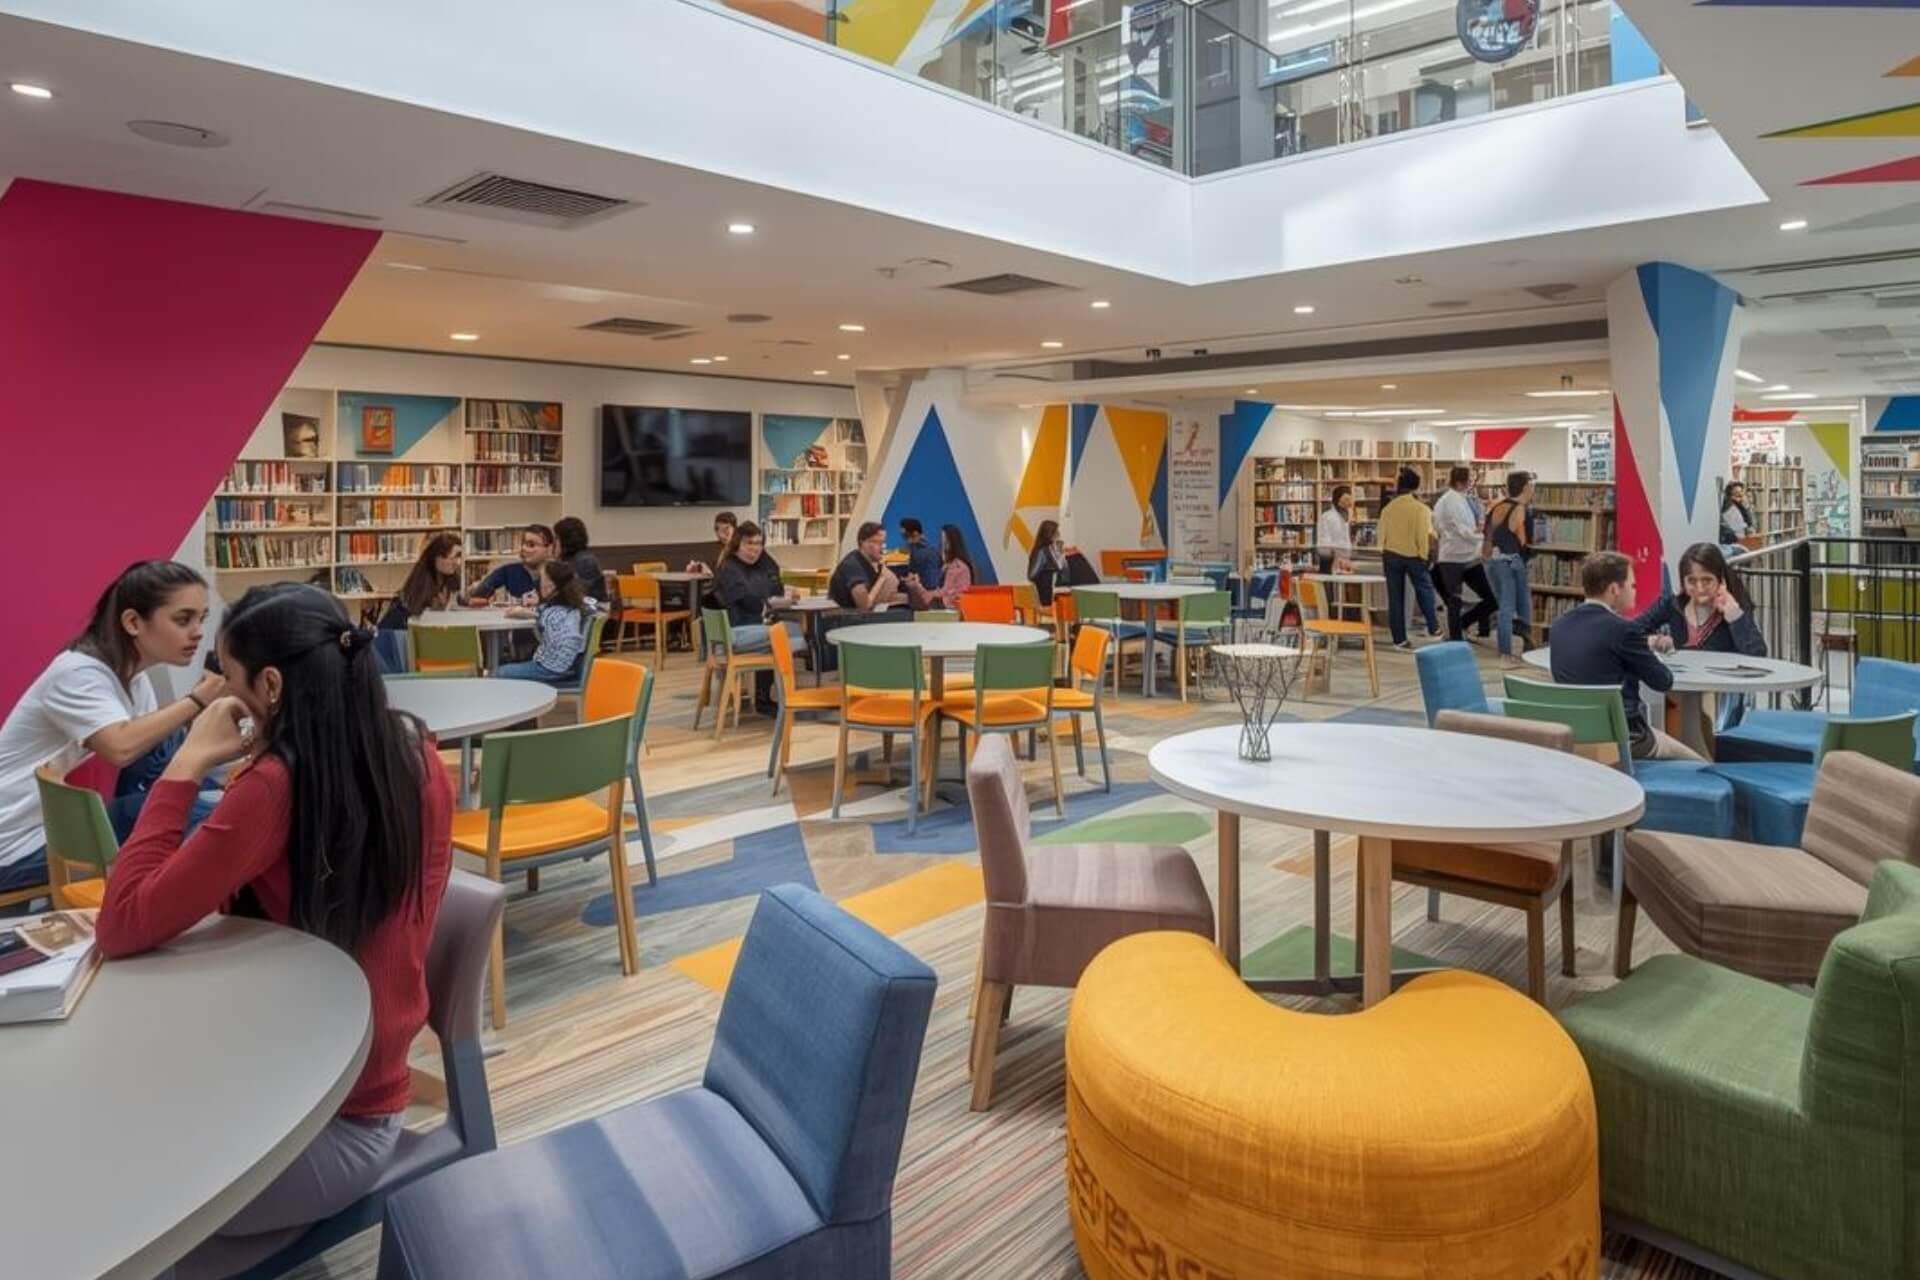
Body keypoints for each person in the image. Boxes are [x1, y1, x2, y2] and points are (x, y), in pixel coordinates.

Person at [95, 583, 453, 1265]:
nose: (217, 693)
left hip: (320, 1120)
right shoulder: (416, 754)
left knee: (103, 1181)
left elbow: (123, 922)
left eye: (226, 677)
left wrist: (186, 761)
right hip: (351, 1087)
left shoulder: (275, 788)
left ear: (270, 685)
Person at [0, 561, 226, 904]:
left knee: (202, 792)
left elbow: (161, 760)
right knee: (205, 815)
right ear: (133, 622)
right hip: (14, 846)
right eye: (183, 620)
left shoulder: (135, 679)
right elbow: (120, 747)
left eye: (202, 619)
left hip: (50, 830)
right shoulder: (78, 673)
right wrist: (197, 700)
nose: (197, 633)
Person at [1549, 551, 1701, 761]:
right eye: (1632, 585)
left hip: (1576, 735)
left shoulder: (1558, 626)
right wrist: (1650, 652)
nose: (1634, 591)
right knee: (1697, 761)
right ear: (1614, 589)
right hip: (1623, 738)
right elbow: (1663, 681)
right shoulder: (1624, 630)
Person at [713, 520, 802, 715]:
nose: (755, 548)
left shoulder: (758, 564)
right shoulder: (730, 569)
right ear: (737, 544)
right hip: (735, 633)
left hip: (748, 627)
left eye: (759, 543)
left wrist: (775, 598)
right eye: (749, 543)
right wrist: (769, 604)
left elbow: (774, 584)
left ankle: (773, 693)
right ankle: (770, 696)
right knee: (786, 635)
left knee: (791, 633)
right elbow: (746, 600)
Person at [1636, 542, 1766, 657]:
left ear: (1721, 579)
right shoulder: (1672, 604)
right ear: (1683, 582)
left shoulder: (1736, 605)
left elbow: (1757, 653)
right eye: (1692, 581)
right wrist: (1654, 641)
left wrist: (1734, 616)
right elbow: (1630, 632)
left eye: (1707, 580)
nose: (1700, 588)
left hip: (1721, 677)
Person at [498, 559, 591, 686]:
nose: (538, 584)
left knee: (500, 672)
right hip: (567, 665)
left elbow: (546, 617)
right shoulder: (568, 608)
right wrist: (535, 609)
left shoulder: (551, 612)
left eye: (541, 580)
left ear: (550, 586)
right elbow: (545, 615)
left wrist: (529, 610)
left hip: (553, 668)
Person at [1376, 468, 1441, 651]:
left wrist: (1383, 549)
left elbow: (1381, 535)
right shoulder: (1422, 509)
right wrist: (1424, 555)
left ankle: (1399, 640)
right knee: (1425, 590)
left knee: (1395, 597)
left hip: (1391, 554)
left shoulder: (1388, 508)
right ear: (1416, 486)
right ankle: (1433, 628)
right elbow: (1423, 534)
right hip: (1414, 556)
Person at [1433, 466, 1498, 642]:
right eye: (1470, 480)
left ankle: (1462, 623)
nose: (1472, 483)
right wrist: (1482, 538)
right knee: (1455, 600)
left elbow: (1442, 526)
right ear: (1460, 482)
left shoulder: (1458, 499)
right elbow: (1462, 530)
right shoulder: (1451, 501)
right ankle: (1456, 637)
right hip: (1454, 557)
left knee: (1490, 600)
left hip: (1467, 555)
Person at [1483, 471, 1536, 660]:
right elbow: (1523, 541)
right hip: (1512, 560)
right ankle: (1517, 649)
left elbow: (1487, 537)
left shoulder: (1496, 507)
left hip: (1493, 561)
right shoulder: (1520, 509)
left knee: (1505, 606)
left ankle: (1506, 648)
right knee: (1521, 605)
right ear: (1525, 487)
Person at [379, 533, 462, 632]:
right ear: (438, 557)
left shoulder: (450, 582)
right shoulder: (420, 588)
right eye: (454, 557)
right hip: (405, 633)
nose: (458, 562)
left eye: (460, 557)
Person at [467, 524, 554, 605]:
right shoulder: (510, 570)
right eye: (523, 544)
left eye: (531, 545)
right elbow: (475, 593)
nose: (523, 548)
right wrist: (473, 593)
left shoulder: (557, 574)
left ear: (549, 549)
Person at [829, 521, 903, 611]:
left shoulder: (872, 564)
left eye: (883, 542)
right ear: (862, 543)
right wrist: (882, 579)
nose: (882, 547)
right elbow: (864, 606)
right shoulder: (852, 565)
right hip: (845, 617)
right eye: (876, 542)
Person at [909, 524, 976, 610]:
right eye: (941, 541)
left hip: (951, 609)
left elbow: (946, 593)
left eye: (945, 541)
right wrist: (918, 586)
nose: (941, 545)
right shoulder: (946, 565)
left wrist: (919, 587)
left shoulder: (959, 567)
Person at [554, 516, 606, 606]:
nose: (553, 542)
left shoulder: (585, 561)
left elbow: (575, 594)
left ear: (565, 540)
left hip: (591, 610)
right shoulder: (568, 560)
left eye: (556, 538)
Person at [899, 517, 943, 600]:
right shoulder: (913, 546)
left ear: (915, 533)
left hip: (927, 594)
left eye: (905, 536)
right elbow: (912, 568)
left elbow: (932, 583)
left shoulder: (929, 553)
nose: (905, 540)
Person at [1027, 519, 1069, 606]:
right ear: (1049, 534)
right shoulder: (1042, 552)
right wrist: (1050, 573)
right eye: (1056, 533)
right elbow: (1032, 575)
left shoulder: (1054, 550)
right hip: (1046, 595)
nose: (1059, 535)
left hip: (1056, 592)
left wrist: (1061, 556)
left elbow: (1064, 574)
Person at [1315, 485, 1354, 576]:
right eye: (1345, 499)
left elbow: (1345, 540)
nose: (1348, 503)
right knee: (1328, 583)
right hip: (1330, 561)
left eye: (1349, 499)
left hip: (1344, 560)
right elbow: (1324, 541)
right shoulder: (1327, 516)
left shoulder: (1347, 516)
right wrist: (1335, 558)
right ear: (1338, 500)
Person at [686, 510, 737, 576]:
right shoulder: (719, 549)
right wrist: (699, 569)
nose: (720, 534)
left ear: (735, 529)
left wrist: (709, 574)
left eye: (726, 529)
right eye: (717, 529)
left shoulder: (739, 550)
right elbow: (715, 574)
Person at [1719, 482, 1756, 547]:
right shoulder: (1730, 508)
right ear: (1730, 495)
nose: (1740, 495)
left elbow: (1749, 524)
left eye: (1741, 492)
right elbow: (1737, 528)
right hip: (1736, 542)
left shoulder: (1742, 507)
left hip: (1743, 540)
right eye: (1736, 493)